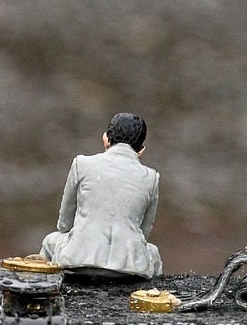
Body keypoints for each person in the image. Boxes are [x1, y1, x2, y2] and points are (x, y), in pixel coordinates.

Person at [40, 113, 163, 279]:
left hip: (79, 259)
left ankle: (41, 291)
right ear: (141, 150)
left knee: (50, 240)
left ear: (106, 138)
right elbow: (144, 232)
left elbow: (64, 224)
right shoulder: (151, 177)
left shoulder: (82, 164)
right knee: (153, 252)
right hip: (129, 267)